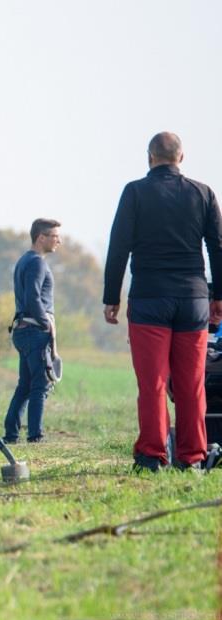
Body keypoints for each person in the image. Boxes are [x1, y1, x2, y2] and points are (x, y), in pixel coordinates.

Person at [103, 132, 222, 472]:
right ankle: (192, 457)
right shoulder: (203, 193)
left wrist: (111, 296)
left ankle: (152, 456)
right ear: (181, 158)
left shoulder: (135, 192)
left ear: (150, 157)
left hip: (149, 299)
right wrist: (219, 297)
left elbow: (118, 247)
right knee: (191, 384)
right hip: (193, 300)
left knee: (153, 383)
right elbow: (218, 247)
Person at [1, 219, 62, 445]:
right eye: (55, 236)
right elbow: (33, 298)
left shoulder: (24, 260)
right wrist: (46, 323)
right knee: (40, 385)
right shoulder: (37, 263)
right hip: (34, 332)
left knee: (25, 385)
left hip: (22, 330)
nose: (59, 241)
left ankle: (11, 433)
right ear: (41, 238)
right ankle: (35, 436)